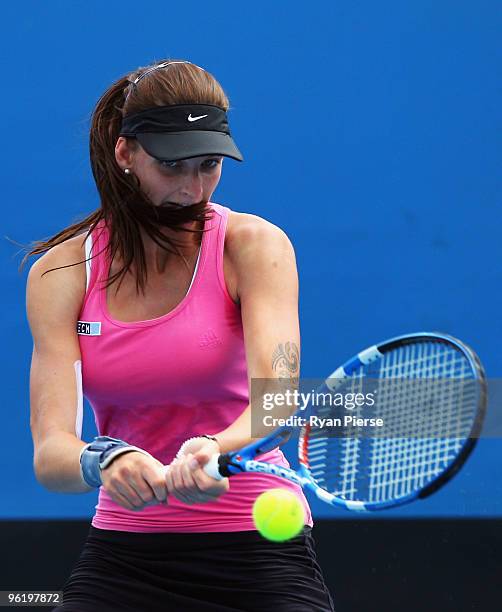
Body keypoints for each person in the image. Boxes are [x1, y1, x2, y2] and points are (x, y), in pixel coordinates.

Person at [25, 59, 335, 611]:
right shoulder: (61, 273)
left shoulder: (255, 246)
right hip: (124, 555)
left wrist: (216, 448)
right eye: (171, 166)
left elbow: (278, 404)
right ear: (126, 153)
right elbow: (52, 455)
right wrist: (106, 460)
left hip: (258, 545)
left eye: (210, 164)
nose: (193, 188)